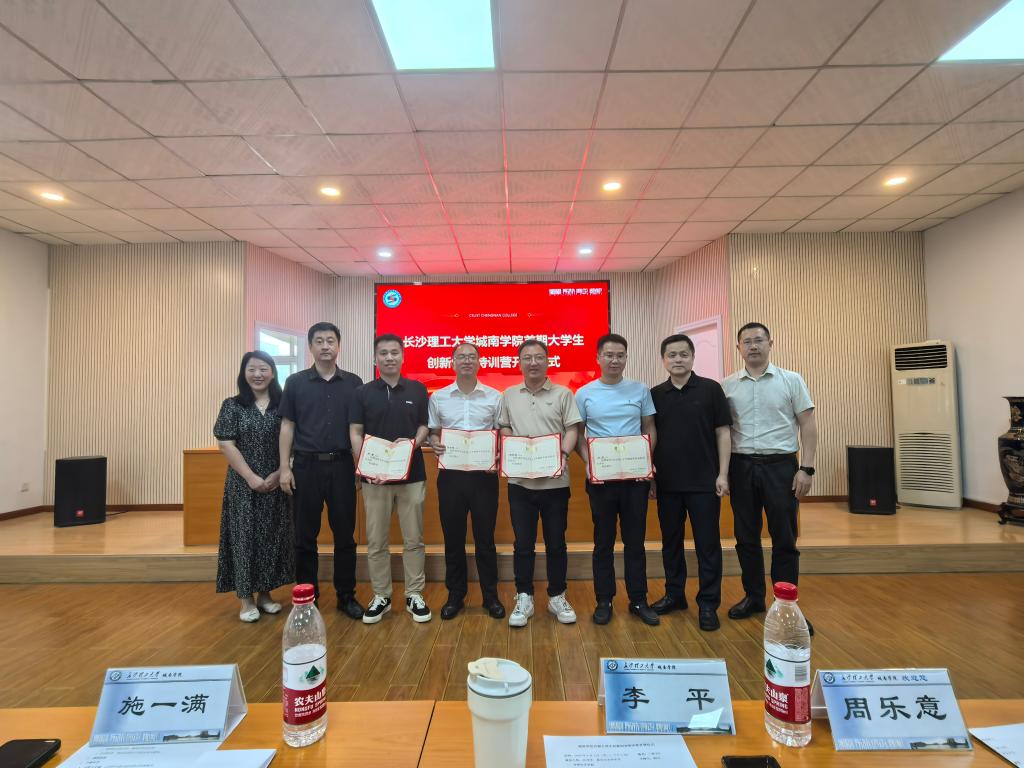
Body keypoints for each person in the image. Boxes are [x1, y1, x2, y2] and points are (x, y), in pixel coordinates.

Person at [722, 322, 817, 635]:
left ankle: (786, 605)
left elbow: (808, 425)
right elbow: (722, 432)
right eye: (746, 341)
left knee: (784, 538)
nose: (753, 346)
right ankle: (754, 597)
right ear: (738, 348)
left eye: (759, 340)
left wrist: (807, 468)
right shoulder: (727, 385)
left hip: (781, 467)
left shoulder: (791, 380)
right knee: (746, 536)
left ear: (770, 343)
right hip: (741, 466)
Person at [278, 322, 364, 620]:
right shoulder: (295, 382)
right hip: (305, 467)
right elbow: (287, 426)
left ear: (339, 346)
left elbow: (357, 429)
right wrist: (284, 468)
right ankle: (307, 598)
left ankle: (346, 596)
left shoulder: (354, 383)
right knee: (304, 537)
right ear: (310, 346)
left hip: (342, 467)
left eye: (330, 340)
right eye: (319, 341)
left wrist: (360, 466)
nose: (325, 346)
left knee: (345, 535)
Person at [649, 334, 732, 632]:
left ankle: (708, 603)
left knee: (707, 545)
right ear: (664, 360)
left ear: (693, 357)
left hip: (704, 483)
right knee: (670, 543)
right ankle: (675, 595)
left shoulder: (711, 389)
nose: (678, 359)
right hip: (667, 484)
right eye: (672, 355)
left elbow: (723, 433)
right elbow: (650, 436)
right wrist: (651, 477)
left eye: (683, 354)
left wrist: (723, 474)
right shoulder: (655, 394)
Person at [576, 333, 659, 626]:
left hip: (635, 479)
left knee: (635, 542)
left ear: (626, 358)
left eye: (620, 355)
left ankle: (638, 599)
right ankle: (604, 600)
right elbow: (578, 435)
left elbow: (649, 427)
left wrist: (646, 459)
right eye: (609, 355)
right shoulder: (584, 393)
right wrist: (588, 462)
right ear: (598, 358)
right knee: (603, 542)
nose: (614, 360)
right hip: (601, 478)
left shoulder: (640, 390)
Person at [498, 339, 581, 628]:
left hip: (555, 483)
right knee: (523, 544)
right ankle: (524, 596)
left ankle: (557, 595)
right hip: (520, 482)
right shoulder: (509, 395)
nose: (533, 362)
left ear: (548, 361)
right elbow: (504, 426)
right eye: (527, 358)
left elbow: (572, 429)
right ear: (519, 362)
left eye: (538, 357)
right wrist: (514, 446)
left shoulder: (563, 394)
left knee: (556, 543)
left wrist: (562, 454)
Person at [350, 334, 432, 624]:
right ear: (375, 358)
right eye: (383, 353)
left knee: (414, 539)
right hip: (375, 479)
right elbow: (355, 432)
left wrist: (412, 444)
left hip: (412, 476)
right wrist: (364, 468)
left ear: (403, 356)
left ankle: (414, 594)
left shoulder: (418, 389)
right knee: (376, 541)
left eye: (394, 352)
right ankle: (381, 596)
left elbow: (424, 426)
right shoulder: (362, 392)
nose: (389, 357)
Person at [214, 351, 294, 622]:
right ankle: (246, 599)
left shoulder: (283, 404)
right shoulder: (233, 405)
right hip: (242, 485)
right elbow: (226, 443)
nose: (258, 374)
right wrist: (250, 477)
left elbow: (293, 441)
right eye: (252, 369)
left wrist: (279, 473)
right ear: (243, 373)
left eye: (263, 369)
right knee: (244, 538)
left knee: (271, 538)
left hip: (277, 482)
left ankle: (266, 595)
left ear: (273, 372)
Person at [428, 343, 505, 620]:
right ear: (452, 362)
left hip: (484, 477)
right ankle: (455, 595)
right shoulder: (439, 397)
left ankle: (490, 596)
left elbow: (501, 433)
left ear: (479, 362)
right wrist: (434, 442)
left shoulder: (495, 397)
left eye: (472, 357)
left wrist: (499, 451)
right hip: (451, 476)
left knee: (485, 539)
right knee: (453, 538)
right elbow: (434, 432)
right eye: (461, 357)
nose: (467, 361)